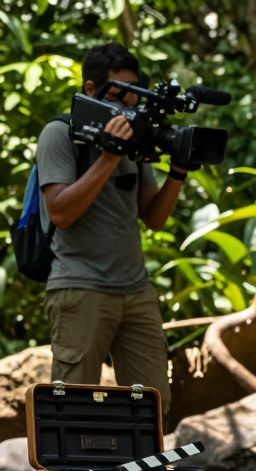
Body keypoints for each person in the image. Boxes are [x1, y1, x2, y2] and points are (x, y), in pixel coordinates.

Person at [37, 42, 193, 411]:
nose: (131, 106)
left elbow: (153, 218)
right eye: (121, 96)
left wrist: (179, 171)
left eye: (135, 96)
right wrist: (108, 157)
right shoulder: (59, 135)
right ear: (91, 89)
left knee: (153, 403)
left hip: (135, 290)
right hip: (80, 287)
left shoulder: (136, 139)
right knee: (72, 404)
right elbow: (60, 211)